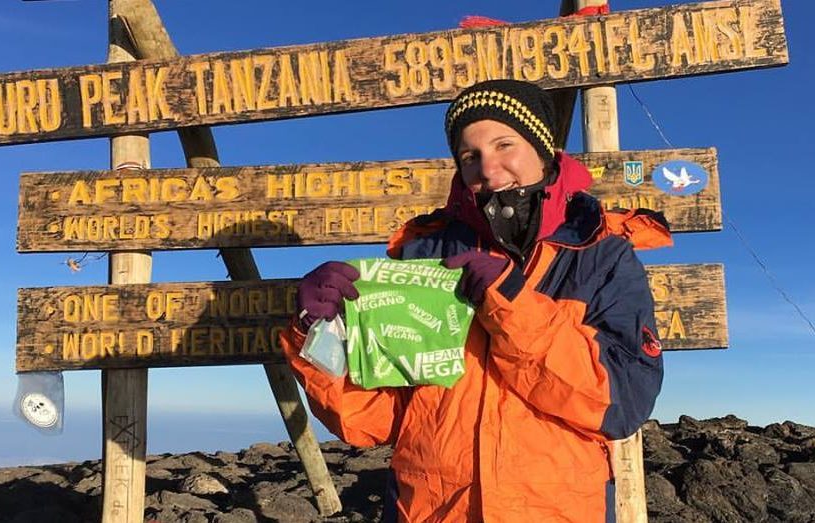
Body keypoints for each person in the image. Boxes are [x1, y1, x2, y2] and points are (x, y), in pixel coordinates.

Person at [281, 79, 671, 522]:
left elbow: (620, 404)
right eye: (470, 156)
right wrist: (318, 332)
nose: (488, 168)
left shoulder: (601, 255)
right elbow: (371, 418)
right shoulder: (424, 256)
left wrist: (513, 304)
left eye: (505, 144)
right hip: (429, 509)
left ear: (544, 153)